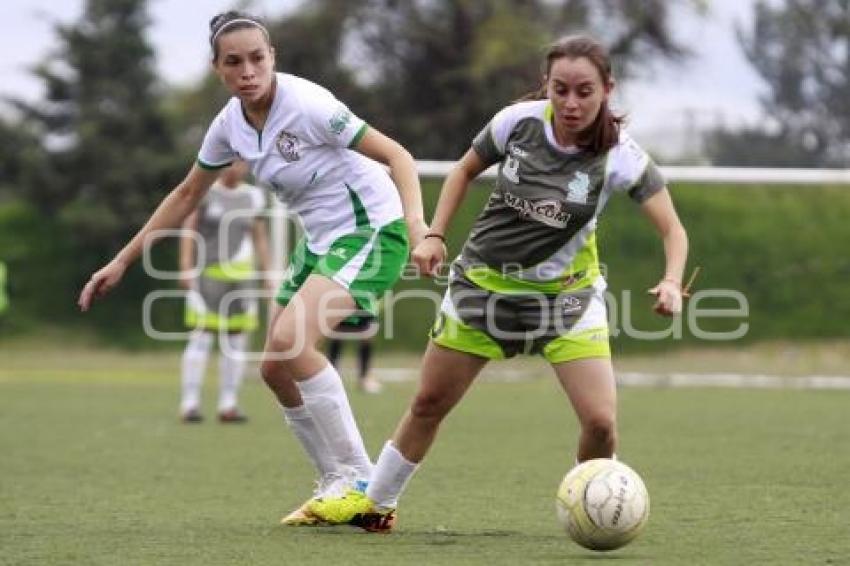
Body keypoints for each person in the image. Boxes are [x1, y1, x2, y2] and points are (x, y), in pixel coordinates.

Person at [308, 35, 689, 532]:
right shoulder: (517, 123)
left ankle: (591, 507)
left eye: (584, 91)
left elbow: (672, 228)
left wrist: (671, 280)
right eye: (560, 90)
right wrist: (433, 235)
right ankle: (376, 508)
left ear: (607, 89)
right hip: (482, 289)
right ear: (546, 86)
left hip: (566, 299)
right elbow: (463, 171)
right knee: (428, 404)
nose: (571, 103)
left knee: (600, 422)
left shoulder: (621, 156)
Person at [77, 11, 427, 526]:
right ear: (218, 69)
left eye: (257, 58)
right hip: (321, 240)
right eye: (234, 62)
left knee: (291, 341)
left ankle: (362, 482)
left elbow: (398, 155)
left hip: (373, 228)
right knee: (272, 368)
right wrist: (122, 260)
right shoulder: (228, 127)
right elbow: (186, 194)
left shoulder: (308, 105)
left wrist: (419, 225)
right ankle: (335, 484)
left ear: (273, 59)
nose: (248, 70)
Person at [178, 160, 271, 424]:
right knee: (202, 337)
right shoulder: (206, 191)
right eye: (231, 162)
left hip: (241, 280)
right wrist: (185, 266)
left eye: (241, 162)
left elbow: (259, 236)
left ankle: (228, 403)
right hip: (207, 274)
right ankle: (190, 403)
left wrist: (268, 273)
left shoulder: (253, 195)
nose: (235, 168)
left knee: (236, 341)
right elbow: (189, 228)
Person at [326, 312, 382, 394]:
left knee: (367, 336)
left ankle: (364, 378)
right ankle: (330, 378)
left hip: (362, 308)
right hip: (344, 308)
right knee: (337, 335)